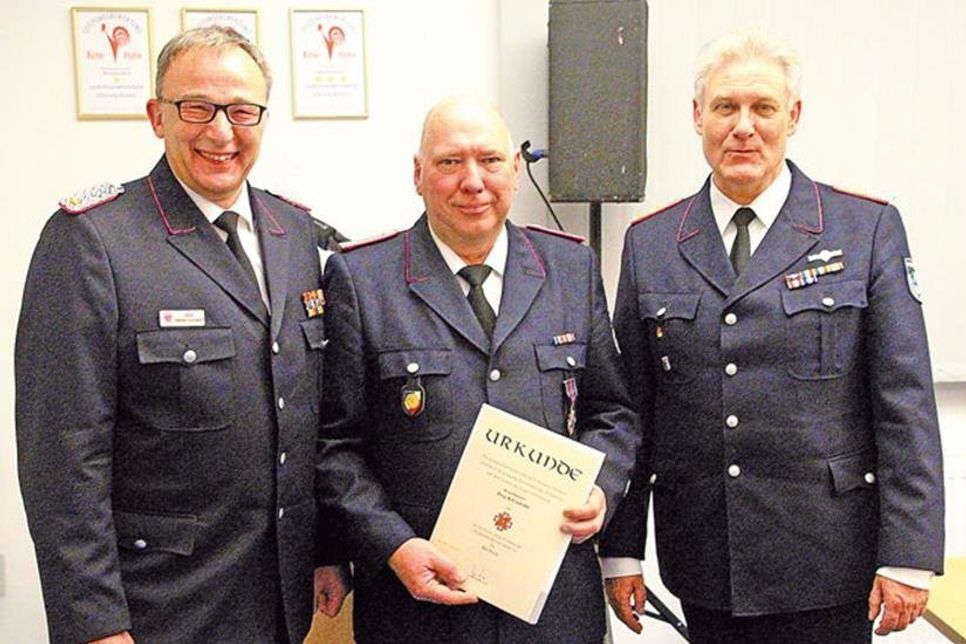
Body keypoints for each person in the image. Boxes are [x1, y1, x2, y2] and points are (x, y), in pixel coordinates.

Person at [599, 28, 945, 643]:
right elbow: (633, 409)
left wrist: (909, 555)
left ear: (794, 116)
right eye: (727, 107)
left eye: (762, 108)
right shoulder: (650, 244)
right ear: (698, 115)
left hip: (828, 558)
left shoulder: (865, 229)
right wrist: (621, 551)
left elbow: (905, 403)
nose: (743, 127)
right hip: (705, 558)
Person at [16, 27, 348, 643]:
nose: (221, 132)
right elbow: (62, 459)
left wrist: (327, 546)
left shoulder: (297, 233)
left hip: (281, 599)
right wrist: (94, 623)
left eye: (243, 110)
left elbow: (310, 419)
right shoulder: (94, 242)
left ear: (263, 117)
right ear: (157, 115)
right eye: (197, 107)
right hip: (158, 607)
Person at [315, 96, 640, 643]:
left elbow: (613, 411)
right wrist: (392, 544)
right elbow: (334, 445)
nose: (472, 181)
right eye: (449, 162)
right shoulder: (362, 279)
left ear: (515, 168)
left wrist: (602, 490)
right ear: (418, 174)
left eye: (490, 161)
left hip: (553, 606)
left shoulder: (570, 267)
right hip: (417, 610)